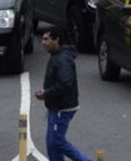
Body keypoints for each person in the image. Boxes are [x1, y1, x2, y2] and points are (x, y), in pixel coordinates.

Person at [36, 27, 91, 161]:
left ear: (57, 40)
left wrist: (46, 93)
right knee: (51, 143)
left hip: (62, 108)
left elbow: (65, 84)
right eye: (42, 39)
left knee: (57, 141)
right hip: (55, 107)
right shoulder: (57, 55)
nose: (43, 42)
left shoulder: (62, 59)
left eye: (46, 39)